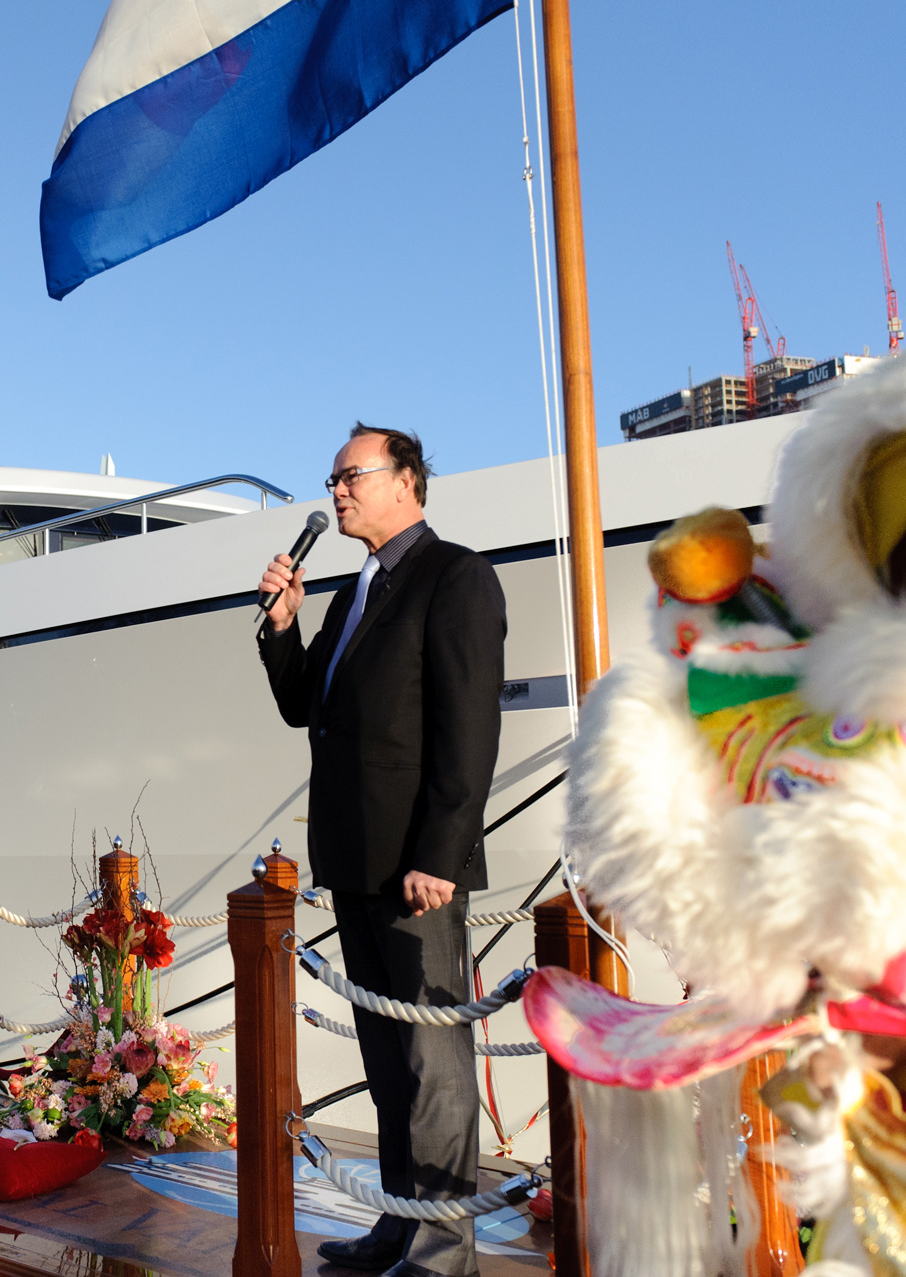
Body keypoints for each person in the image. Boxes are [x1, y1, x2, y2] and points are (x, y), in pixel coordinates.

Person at [257, 423, 505, 1277]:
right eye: (332, 478)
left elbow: (468, 729)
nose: (336, 491)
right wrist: (282, 627)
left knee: (434, 1062)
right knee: (385, 1061)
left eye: (351, 475)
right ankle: (399, 1226)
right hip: (353, 862)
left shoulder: (455, 576)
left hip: (417, 869)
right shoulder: (352, 592)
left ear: (407, 480)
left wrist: (441, 850)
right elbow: (305, 706)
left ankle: (443, 1251)